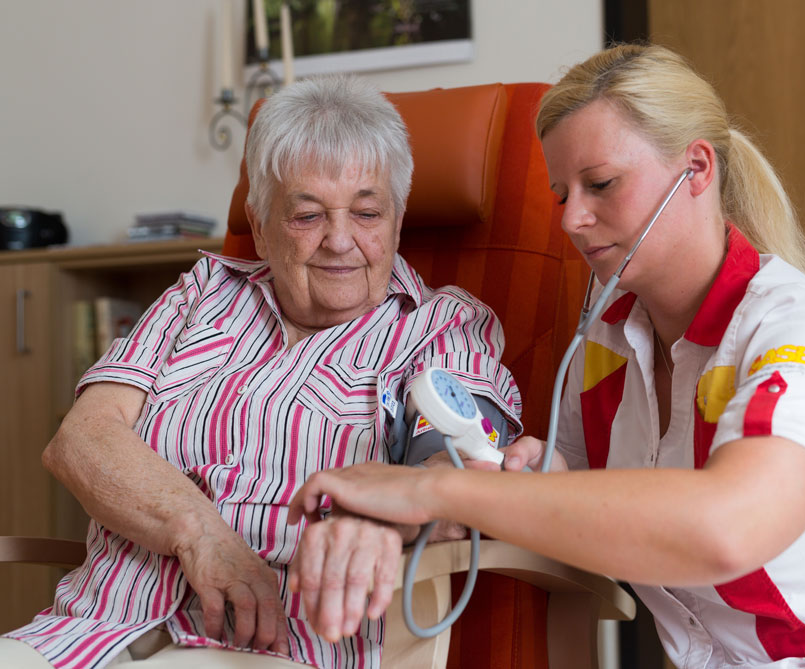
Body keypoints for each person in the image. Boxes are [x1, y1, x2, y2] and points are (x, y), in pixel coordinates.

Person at [282, 45, 805, 668]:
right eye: (562, 193)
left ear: (695, 168)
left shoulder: (796, 329)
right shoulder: (602, 345)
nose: (570, 219)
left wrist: (431, 490)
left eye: (601, 185)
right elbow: (577, 494)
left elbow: (727, 528)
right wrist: (516, 477)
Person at [0, 74, 520, 669]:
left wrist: (385, 515)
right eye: (306, 216)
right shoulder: (203, 293)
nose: (340, 241)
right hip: (87, 635)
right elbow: (83, 438)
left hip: (275, 648)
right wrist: (200, 534)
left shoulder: (442, 328)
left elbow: (460, 476)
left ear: (400, 217)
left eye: (368, 211)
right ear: (260, 217)